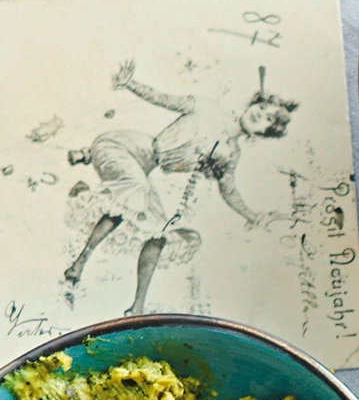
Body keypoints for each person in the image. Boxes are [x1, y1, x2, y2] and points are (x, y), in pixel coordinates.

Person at [63, 61, 297, 309]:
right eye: (262, 107)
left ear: (262, 133)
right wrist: (130, 83)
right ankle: (80, 261)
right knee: (135, 192)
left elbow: (228, 190)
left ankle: (136, 307)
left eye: (268, 120)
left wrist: (252, 215)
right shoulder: (207, 109)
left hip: (147, 170)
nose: (260, 114)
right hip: (130, 147)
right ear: (254, 102)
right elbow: (164, 99)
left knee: (158, 233)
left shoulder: (230, 154)